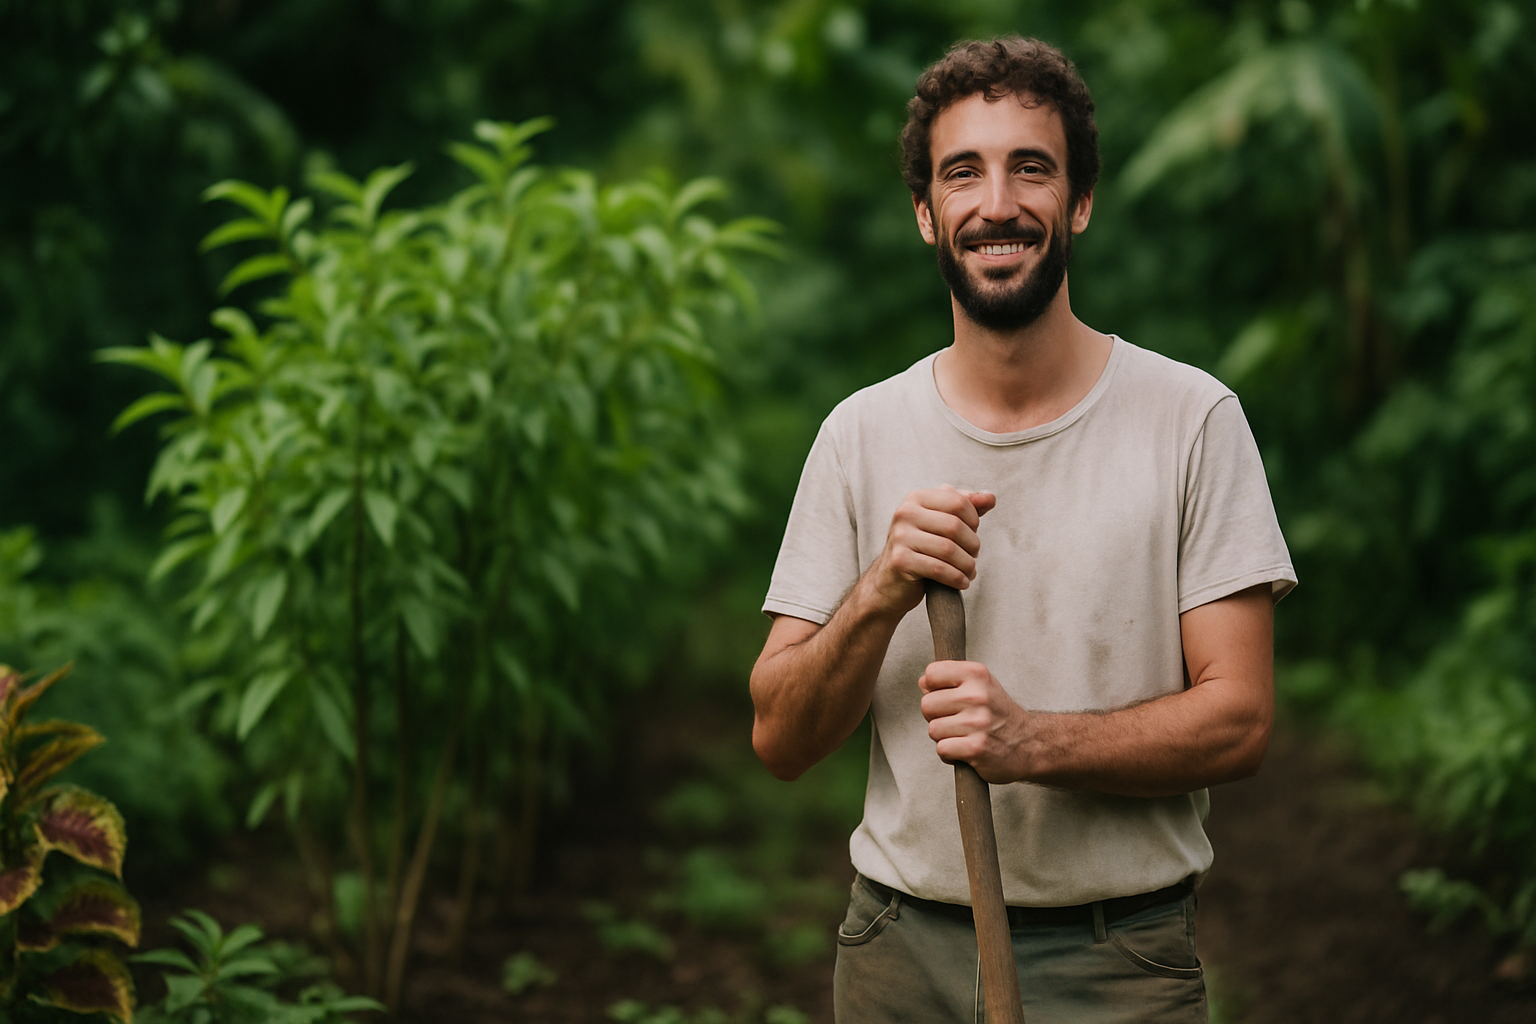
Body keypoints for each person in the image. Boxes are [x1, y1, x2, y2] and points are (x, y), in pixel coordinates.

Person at [749, 35, 1296, 1024]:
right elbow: (780, 737)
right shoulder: (860, 435)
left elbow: (1241, 718)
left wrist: (1029, 739)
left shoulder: (1191, 420)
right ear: (927, 214)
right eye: (964, 173)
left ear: (1078, 202)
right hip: (895, 961)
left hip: (1119, 963)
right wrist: (878, 592)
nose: (997, 202)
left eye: (1030, 168)